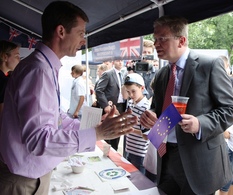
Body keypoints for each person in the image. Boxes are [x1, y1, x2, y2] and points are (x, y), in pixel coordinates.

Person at [0, 2, 137, 194]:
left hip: (28, 176)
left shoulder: (43, 66)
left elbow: (54, 118)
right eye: (81, 33)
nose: (83, 40)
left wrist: (95, 125)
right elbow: (38, 140)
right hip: (24, 181)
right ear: (61, 31)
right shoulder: (39, 71)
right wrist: (97, 134)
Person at [140, 15, 233, 195]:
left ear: (182, 40)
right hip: (166, 156)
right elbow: (159, 108)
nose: (156, 44)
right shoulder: (163, 73)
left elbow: (231, 109)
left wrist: (200, 124)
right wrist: (153, 116)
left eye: (162, 39)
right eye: (155, 39)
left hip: (199, 161)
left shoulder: (209, 65)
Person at [95, 60, 126, 150]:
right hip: (110, 107)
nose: (120, 62)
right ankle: (106, 155)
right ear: (113, 62)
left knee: (117, 133)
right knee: (108, 134)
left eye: (122, 61)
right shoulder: (108, 74)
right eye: (118, 60)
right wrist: (106, 105)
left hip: (121, 107)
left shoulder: (123, 74)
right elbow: (99, 90)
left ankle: (114, 154)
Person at [123, 73, 150, 174]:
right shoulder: (130, 103)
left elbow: (147, 135)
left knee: (139, 181)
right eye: (128, 92)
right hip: (129, 148)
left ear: (142, 88)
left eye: (133, 91)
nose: (131, 95)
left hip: (140, 153)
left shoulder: (146, 107)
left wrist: (131, 130)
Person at [0, 40, 20, 115]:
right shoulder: (5, 82)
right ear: (5, 57)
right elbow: (2, 113)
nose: (19, 60)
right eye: (16, 56)